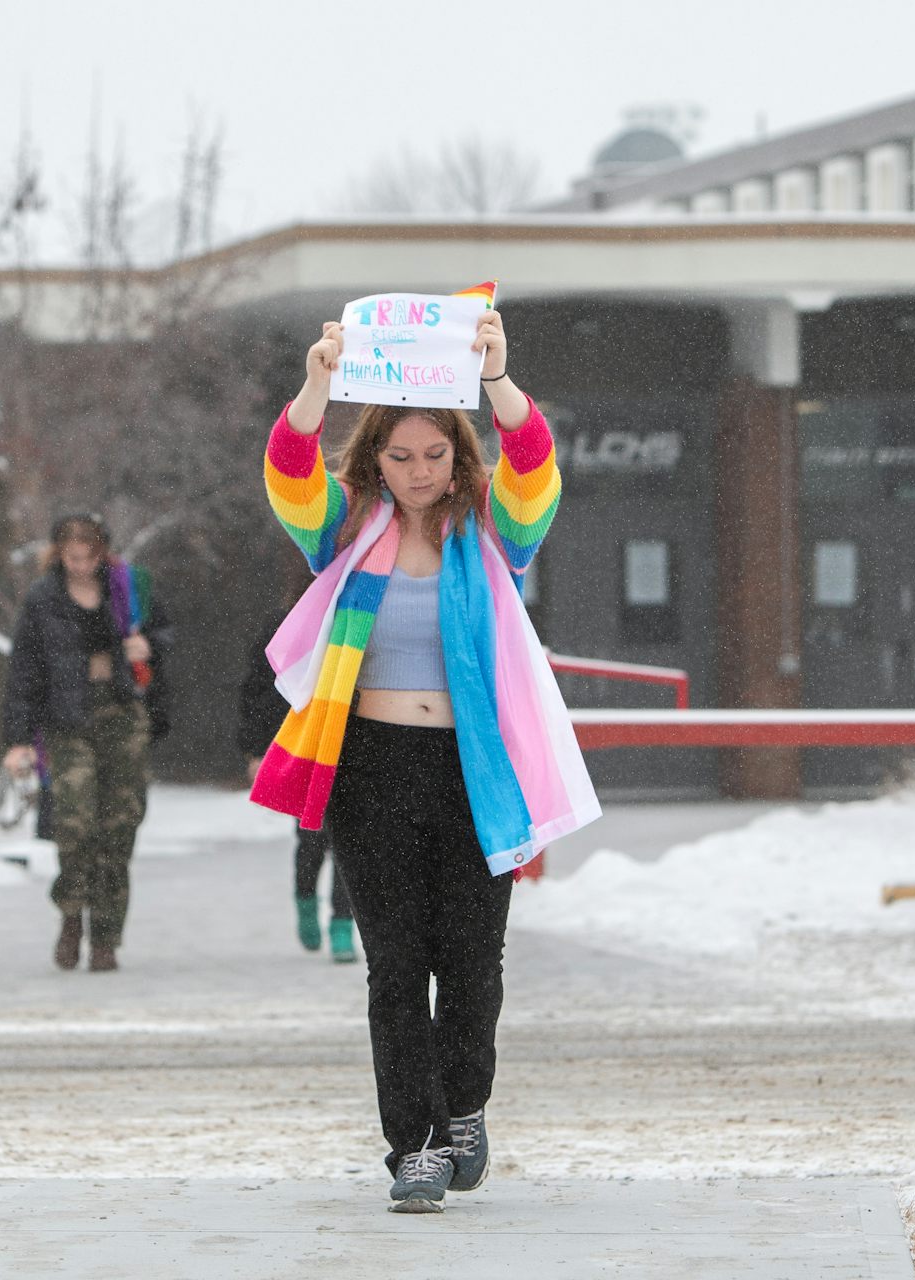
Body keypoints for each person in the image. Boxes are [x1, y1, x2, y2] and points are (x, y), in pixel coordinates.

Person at [251, 309, 600, 1213]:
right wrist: (317, 382)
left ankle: (465, 1108)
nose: (417, 472)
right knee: (395, 967)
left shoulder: (492, 534)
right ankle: (413, 1145)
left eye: (434, 457)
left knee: (473, 961)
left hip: (471, 770)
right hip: (370, 765)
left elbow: (536, 471)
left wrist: (496, 379)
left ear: (457, 458)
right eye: (400, 457)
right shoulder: (347, 530)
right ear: (376, 459)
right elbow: (290, 477)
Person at [2, 513, 173, 973]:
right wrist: (18, 739)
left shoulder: (127, 589)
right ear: (59, 554)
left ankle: (106, 936)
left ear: (102, 553)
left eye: (88, 556)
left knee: (120, 825)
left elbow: (164, 633)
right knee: (75, 820)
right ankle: (72, 911)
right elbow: (24, 670)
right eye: (71, 557)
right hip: (67, 718)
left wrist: (147, 646)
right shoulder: (43, 600)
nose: (80, 566)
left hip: (121, 713)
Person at [237, 607, 355, 963]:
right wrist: (258, 748)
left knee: (349, 842)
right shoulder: (288, 622)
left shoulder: (363, 614)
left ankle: (342, 926)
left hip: (353, 742)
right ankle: (305, 899)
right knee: (312, 837)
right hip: (305, 743)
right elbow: (258, 689)